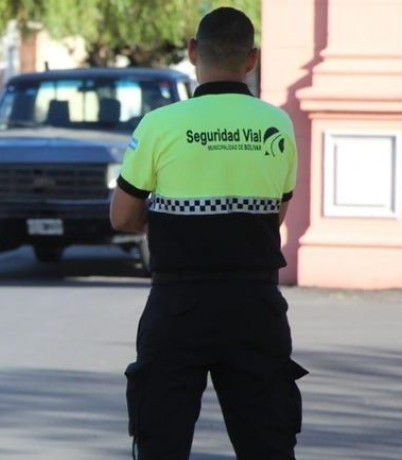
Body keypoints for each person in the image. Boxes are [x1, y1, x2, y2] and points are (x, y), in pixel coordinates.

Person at [110, 7, 307, 459]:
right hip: (256, 307)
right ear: (252, 59)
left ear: (193, 51)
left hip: (179, 306)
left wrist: (164, 217)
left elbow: (121, 217)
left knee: (161, 439)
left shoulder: (159, 125)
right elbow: (273, 214)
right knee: (268, 442)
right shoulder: (276, 125)